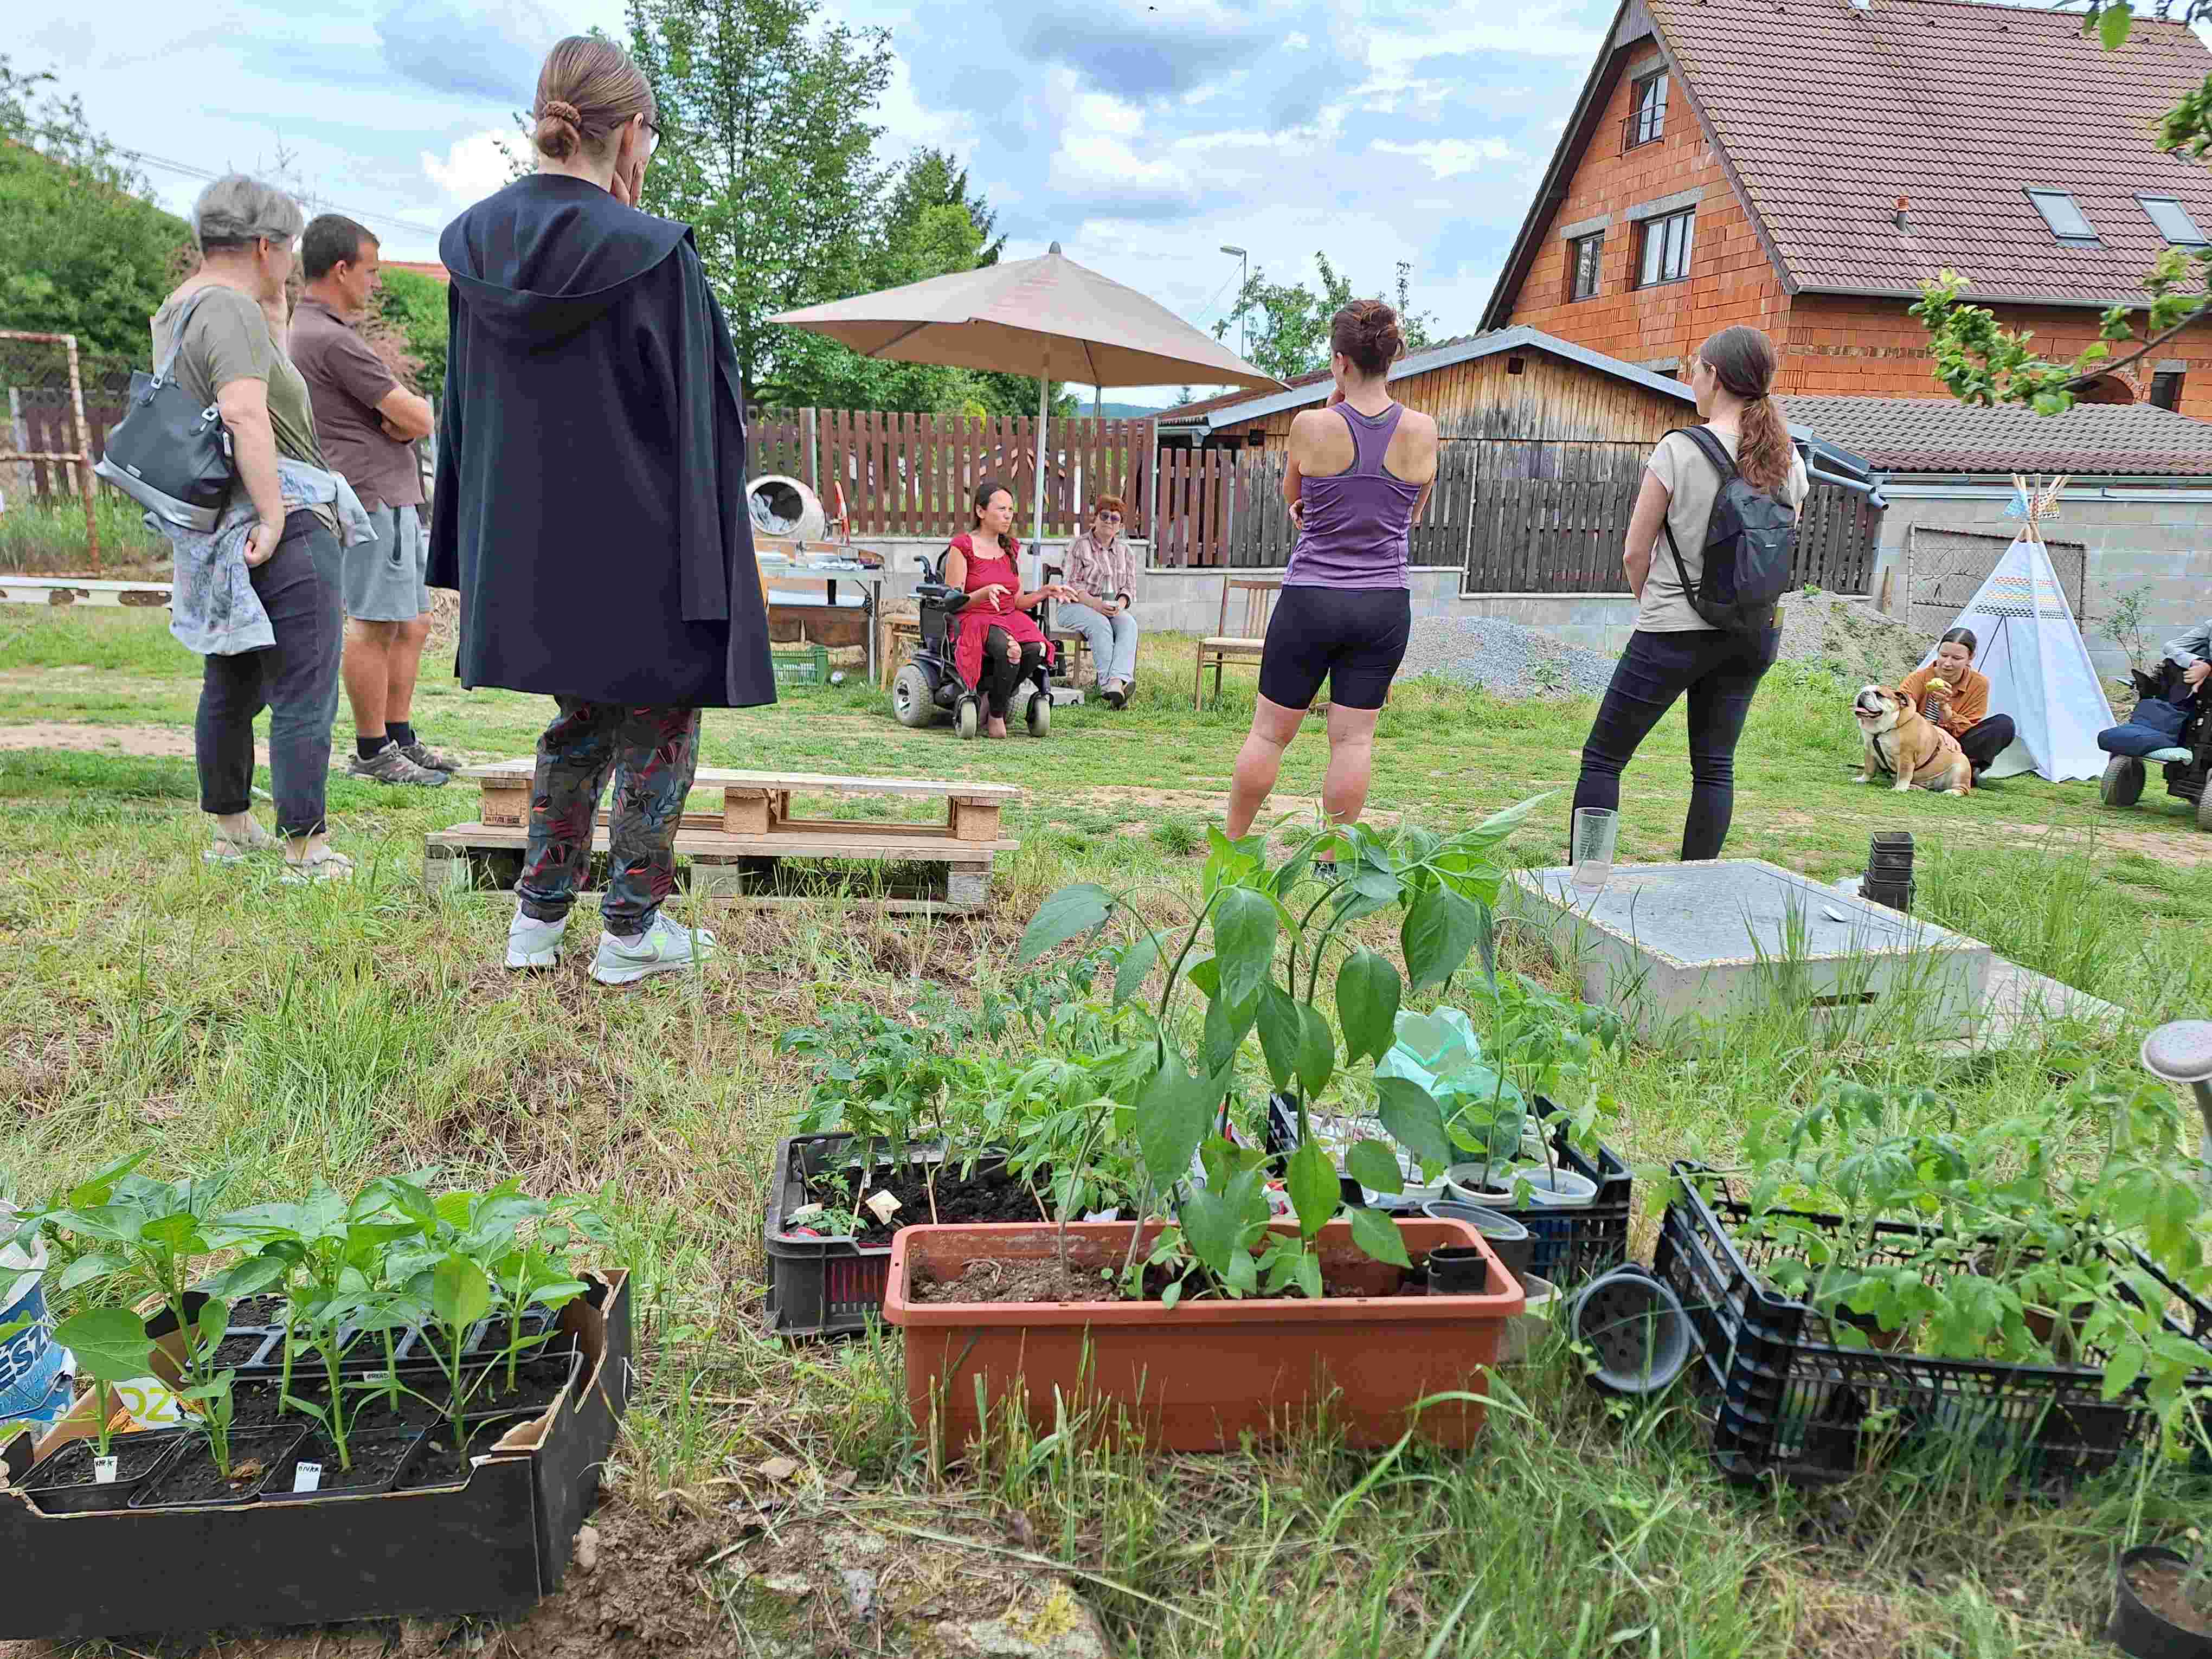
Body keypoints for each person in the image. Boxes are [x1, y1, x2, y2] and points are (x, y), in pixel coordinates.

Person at [430, 36, 773, 985]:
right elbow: (709, 423)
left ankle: (535, 924)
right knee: (660, 726)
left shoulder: (472, 246)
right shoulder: (655, 253)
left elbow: (465, 412)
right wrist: (717, 565)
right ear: (631, 134)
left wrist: (471, 549)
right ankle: (630, 932)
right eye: (651, 139)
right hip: (649, 550)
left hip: (533, 553)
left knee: (577, 721)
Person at [152, 175, 366, 884]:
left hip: (214, 526)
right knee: (306, 684)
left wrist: (273, 300)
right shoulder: (230, 311)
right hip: (281, 518)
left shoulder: (180, 309)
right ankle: (306, 848)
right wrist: (277, 517)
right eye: (292, 247)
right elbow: (246, 412)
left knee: (233, 677)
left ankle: (232, 828)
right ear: (267, 245)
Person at [1568, 324, 1808, 861]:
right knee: (1714, 767)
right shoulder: (1787, 458)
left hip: (1673, 627)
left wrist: (1653, 605)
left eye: (1695, 370)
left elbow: (1636, 553)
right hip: (1751, 634)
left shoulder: (1679, 449)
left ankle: (1585, 887)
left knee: (1604, 760)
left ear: (1714, 376)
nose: (1692, 380)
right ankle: (1695, 893)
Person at [1223, 299, 1437, 850]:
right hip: (1384, 605)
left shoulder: (1310, 424)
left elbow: (1293, 500)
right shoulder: (1423, 429)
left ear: (1340, 362)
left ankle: (1234, 851)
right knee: (1353, 743)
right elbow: (1413, 513)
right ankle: (1330, 864)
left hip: (1312, 598)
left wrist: (1328, 413)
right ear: (1392, 358)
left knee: (1269, 735)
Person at [290, 214, 453, 787]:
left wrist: (403, 421)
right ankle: (371, 751)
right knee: (375, 622)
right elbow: (417, 415)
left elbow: (406, 418)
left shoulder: (321, 332)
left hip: (391, 492)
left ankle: (399, 737)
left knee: (410, 622)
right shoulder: (329, 338)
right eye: (372, 271)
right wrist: (406, 419)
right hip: (369, 496)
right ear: (341, 269)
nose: (376, 284)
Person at [944, 480, 1069, 737]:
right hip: (975, 618)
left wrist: (1045, 591)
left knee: (1039, 648)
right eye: (1001, 509)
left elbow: (1018, 601)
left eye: (1011, 509)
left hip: (1008, 617)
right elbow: (953, 600)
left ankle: (992, 703)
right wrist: (983, 593)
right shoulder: (963, 546)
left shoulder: (1010, 548)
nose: (1008, 515)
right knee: (1012, 649)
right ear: (981, 512)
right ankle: (997, 718)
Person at [1899, 627, 2016, 780]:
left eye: (1956, 658)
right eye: (1944, 655)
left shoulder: (1979, 683)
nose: (1948, 663)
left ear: (1970, 658)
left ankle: (1966, 770)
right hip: (1919, 744)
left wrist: (1945, 709)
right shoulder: (1919, 678)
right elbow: (1900, 713)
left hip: (1954, 746)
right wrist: (1934, 730)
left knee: (2004, 724)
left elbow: (1968, 727)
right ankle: (1925, 770)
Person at [1057, 494, 1140, 707]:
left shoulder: (1125, 552)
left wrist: (1119, 606)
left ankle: (1116, 681)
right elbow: (1072, 586)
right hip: (1075, 605)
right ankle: (1109, 685)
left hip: (1110, 607)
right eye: (1104, 516)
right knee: (1100, 623)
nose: (1109, 522)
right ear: (1095, 518)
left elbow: (1129, 589)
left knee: (1128, 624)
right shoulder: (1078, 545)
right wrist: (1096, 605)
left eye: (1115, 519)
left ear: (1120, 526)